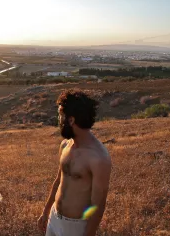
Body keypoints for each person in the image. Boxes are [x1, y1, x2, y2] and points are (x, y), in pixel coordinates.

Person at [37, 89, 112, 236]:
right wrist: (46, 212)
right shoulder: (65, 145)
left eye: (61, 115)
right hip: (54, 218)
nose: (59, 120)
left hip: (76, 227)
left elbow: (98, 204)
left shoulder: (98, 158)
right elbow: (58, 181)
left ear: (71, 120)